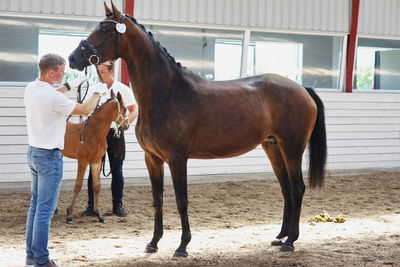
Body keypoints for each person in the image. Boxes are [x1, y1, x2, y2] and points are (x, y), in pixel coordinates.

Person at [24, 53, 103, 267]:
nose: (64, 72)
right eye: (62, 70)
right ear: (52, 72)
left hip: (34, 152)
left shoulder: (33, 88)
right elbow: (86, 109)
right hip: (49, 157)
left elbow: (53, 94)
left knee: (36, 207)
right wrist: (97, 90)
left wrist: (69, 85)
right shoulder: (52, 96)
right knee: (45, 211)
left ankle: (31, 257)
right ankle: (41, 260)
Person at [81, 61, 137, 217]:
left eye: (103, 71)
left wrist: (125, 123)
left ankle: (117, 205)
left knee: (117, 170)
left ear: (112, 71)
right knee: (93, 171)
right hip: (96, 135)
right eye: (98, 71)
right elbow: (86, 110)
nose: (100, 74)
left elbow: (133, 111)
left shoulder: (123, 89)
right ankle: (92, 206)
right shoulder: (93, 89)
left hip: (115, 133)